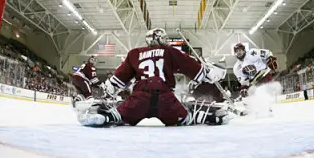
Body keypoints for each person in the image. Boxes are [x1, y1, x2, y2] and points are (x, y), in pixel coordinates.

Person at [76, 28, 229, 127]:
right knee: (186, 117)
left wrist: (106, 90)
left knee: (120, 115)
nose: (166, 41)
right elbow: (194, 69)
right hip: (165, 98)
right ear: (157, 38)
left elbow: (116, 82)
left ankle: (106, 116)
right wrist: (209, 72)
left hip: (139, 98)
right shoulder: (169, 51)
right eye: (164, 38)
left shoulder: (134, 53)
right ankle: (211, 117)